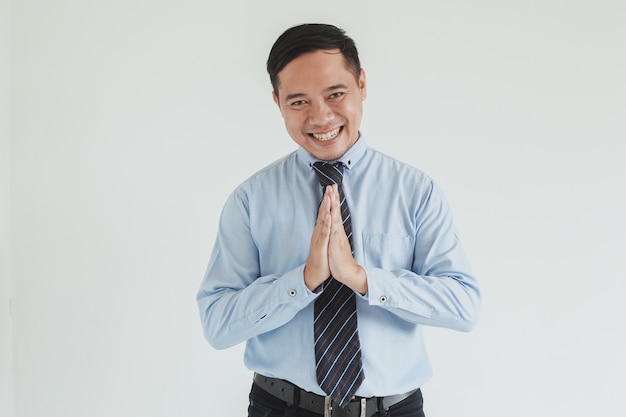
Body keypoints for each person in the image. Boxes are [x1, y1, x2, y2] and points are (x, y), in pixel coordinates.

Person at [197, 23, 481, 417]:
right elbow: (217, 324)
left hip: (393, 409)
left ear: (361, 84)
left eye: (336, 94)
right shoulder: (250, 200)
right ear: (277, 102)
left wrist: (362, 278)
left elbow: (463, 306)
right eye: (298, 102)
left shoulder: (415, 190)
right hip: (281, 408)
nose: (321, 116)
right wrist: (302, 281)